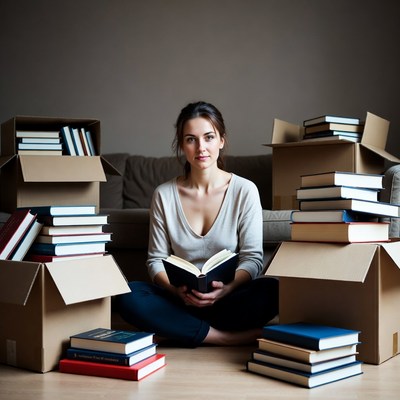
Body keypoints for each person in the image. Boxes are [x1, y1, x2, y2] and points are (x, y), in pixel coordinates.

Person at [116, 101, 278, 346]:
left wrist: (227, 289)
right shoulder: (164, 194)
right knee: (126, 294)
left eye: (209, 137)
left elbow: (253, 257)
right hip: (179, 302)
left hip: (228, 299)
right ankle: (222, 338)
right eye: (191, 139)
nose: (201, 147)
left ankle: (179, 331)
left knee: (273, 291)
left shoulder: (245, 190)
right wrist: (174, 291)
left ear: (221, 140)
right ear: (181, 145)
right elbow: (155, 259)